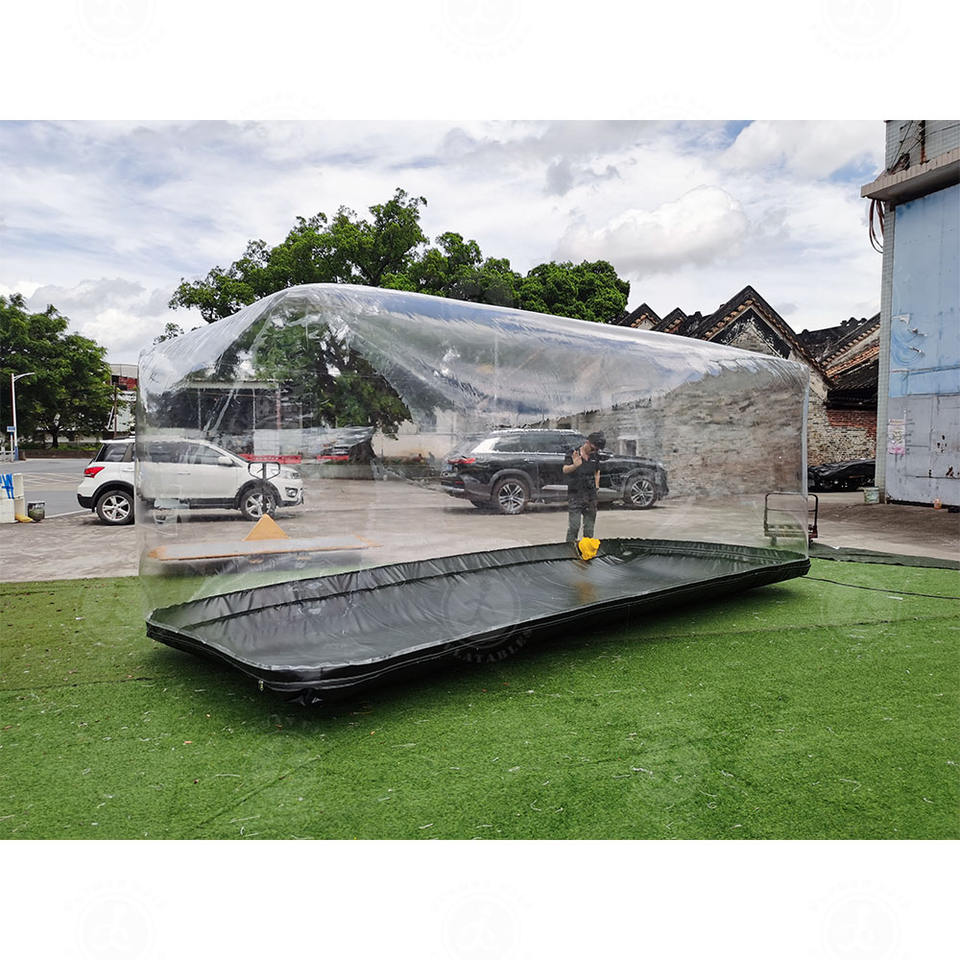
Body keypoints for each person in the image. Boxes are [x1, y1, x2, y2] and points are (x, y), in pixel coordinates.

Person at [562, 431, 604, 543]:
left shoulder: (595, 456)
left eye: (597, 450)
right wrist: (575, 465)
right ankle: (569, 547)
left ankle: (587, 548)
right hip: (575, 494)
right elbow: (565, 469)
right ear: (587, 443)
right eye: (593, 448)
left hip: (590, 495)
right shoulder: (573, 452)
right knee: (574, 526)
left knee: (589, 528)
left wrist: (597, 485)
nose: (594, 451)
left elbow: (597, 471)